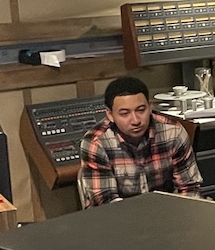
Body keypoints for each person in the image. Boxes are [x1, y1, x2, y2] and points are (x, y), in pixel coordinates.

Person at [79, 76, 202, 207]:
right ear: (110, 115)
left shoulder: (173, 132)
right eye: (125, 113)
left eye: (141, 110)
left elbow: (189, 188)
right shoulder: (96, 142)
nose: (136, 120)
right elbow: (106, 203)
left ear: (150, 107)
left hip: (166, 214)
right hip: (117, 220)